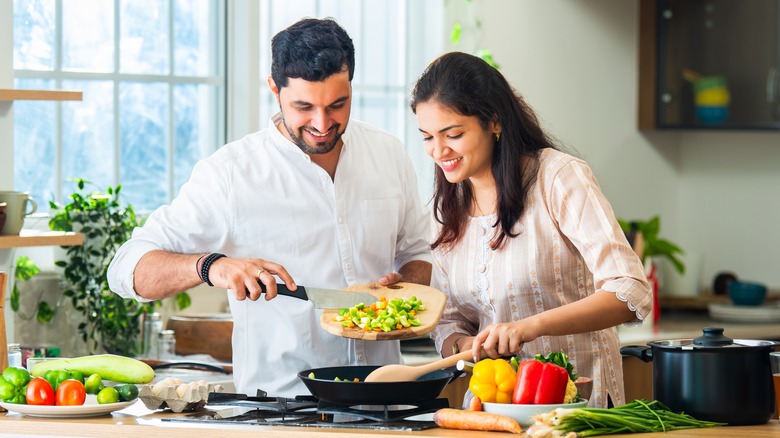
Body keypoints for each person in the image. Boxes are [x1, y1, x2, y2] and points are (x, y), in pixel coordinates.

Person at [107, 18, 432, 397]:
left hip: (385, 399)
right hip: (281, 407)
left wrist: (405, 285)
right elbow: (127, 268)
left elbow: (417, 251)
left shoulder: (388, 153)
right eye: (303, 106)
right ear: (274, 89)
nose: (322, 123)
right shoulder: (230, 174)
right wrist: (211, 266)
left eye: (337, 105)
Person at [410, 52, 651, 408]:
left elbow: (629, 290)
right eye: (427, 137)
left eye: (454, 134)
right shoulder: (447, 208)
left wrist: (529, 327)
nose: (438, 150)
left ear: (494, 122)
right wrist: (463, 345)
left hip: (578, 409)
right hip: (493, 411)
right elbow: (447, 320)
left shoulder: (558, 177)